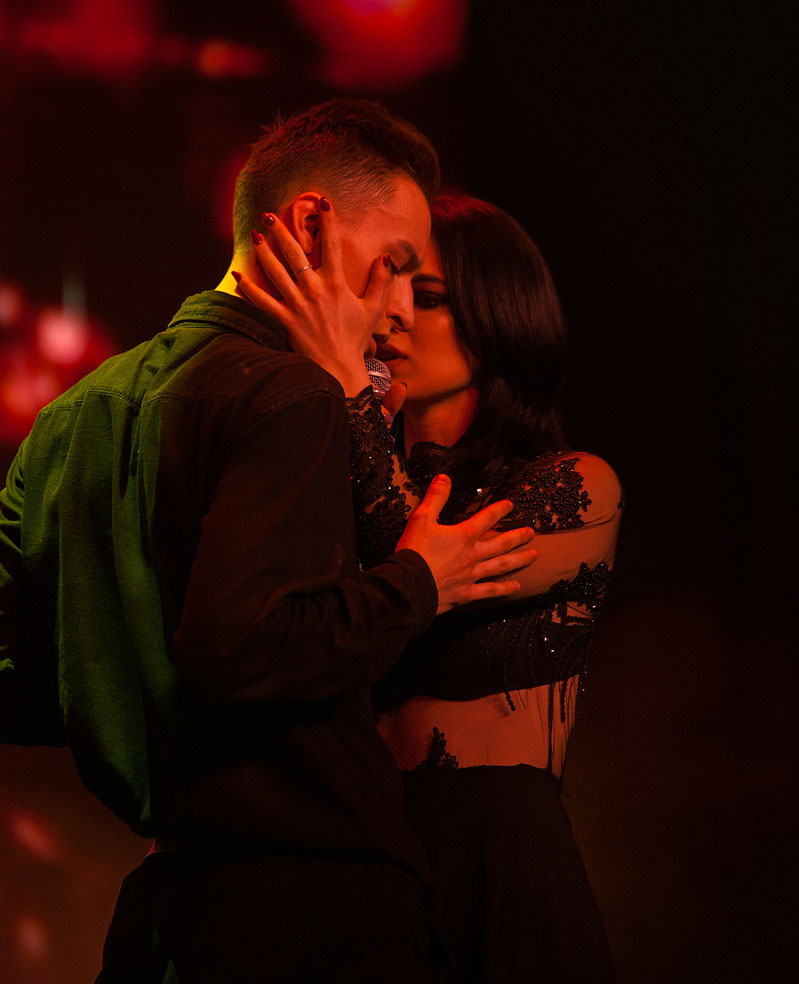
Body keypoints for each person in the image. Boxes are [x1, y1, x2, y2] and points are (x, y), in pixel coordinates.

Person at [0, 101, 538, 984]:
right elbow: (241, 644)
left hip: (167, 912)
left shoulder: (69, 418)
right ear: (310, 224)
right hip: (312, 911)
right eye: (394, 266)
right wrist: (420, 580)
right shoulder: (291, 394)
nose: (398, 309)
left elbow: (16, 680)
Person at [237, 189, 623, 982]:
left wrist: (349, 393)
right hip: (353, 857)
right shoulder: (339, 476)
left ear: (498, 309)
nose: (395, 317)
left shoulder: (575, 486)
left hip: (494, 857)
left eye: (432, 295)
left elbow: (414, 560)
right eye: (384, 290)